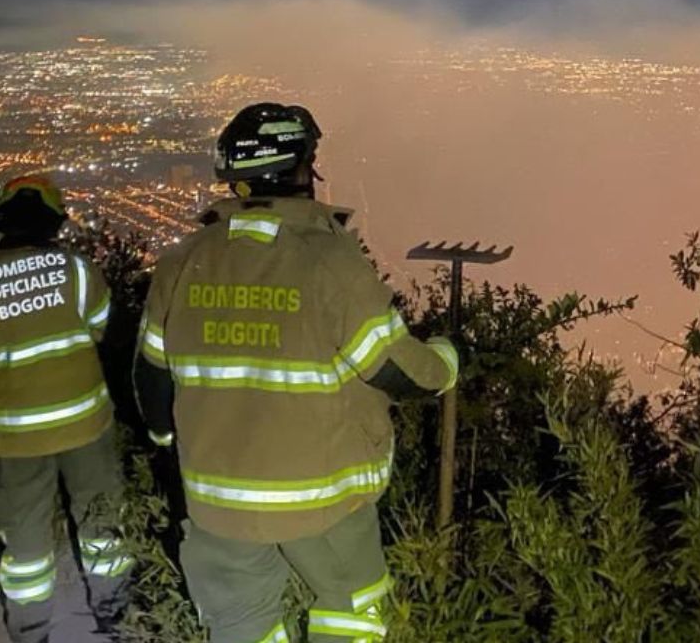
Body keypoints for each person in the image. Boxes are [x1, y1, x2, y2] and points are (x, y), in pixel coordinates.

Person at [136, 102, 458, 643]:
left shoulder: (183, 262)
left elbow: (152, 382)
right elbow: (401, 371)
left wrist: (172, 442)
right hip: (322, 500)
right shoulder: (327, 261)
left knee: (243, 628)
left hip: (217, 502)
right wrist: (449, 359)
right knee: (352, 613)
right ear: (303, 168)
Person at [0, 175, 127, 642]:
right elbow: (102, 326)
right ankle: (116, 614)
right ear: (54, 223)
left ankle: (31, 630)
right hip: (88, 424)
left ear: (1, 224)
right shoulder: (77, 271)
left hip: (20, 438)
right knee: (102, 521)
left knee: (26, 542)